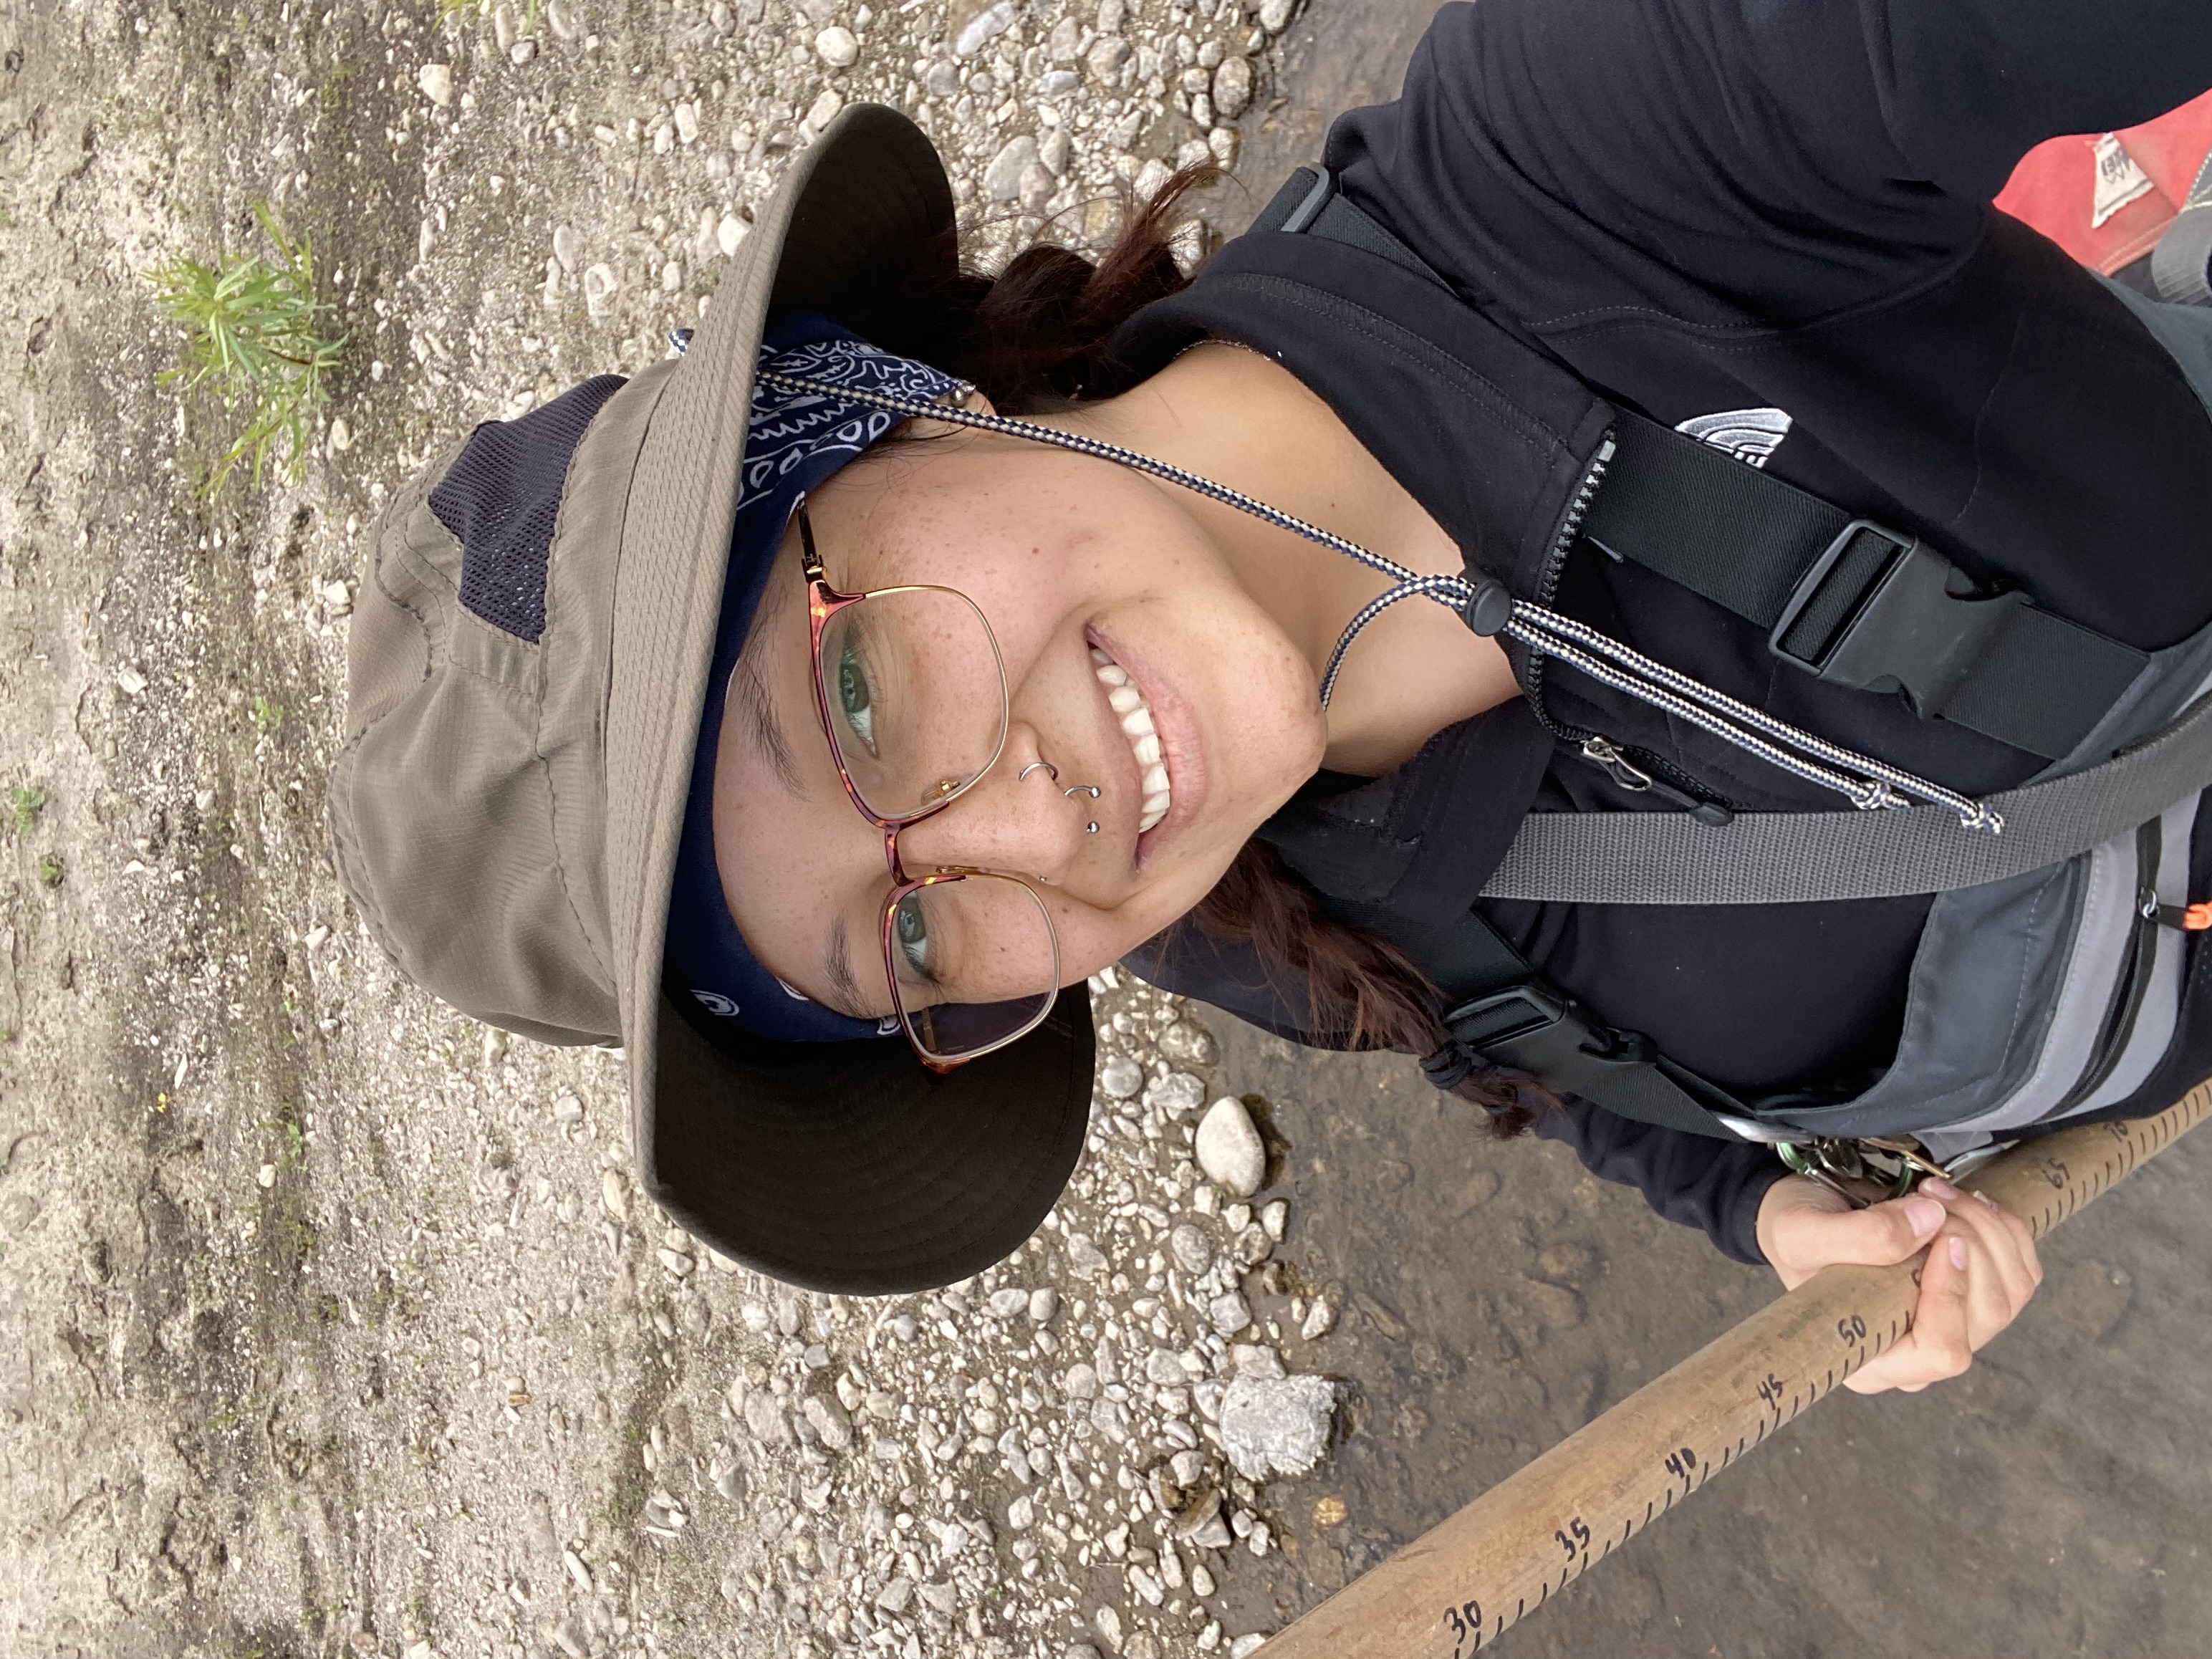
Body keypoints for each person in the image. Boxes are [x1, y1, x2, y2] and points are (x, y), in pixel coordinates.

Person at [329, 0, 2212, 1397]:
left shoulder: (1603, 150)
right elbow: (1516, 1051)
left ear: (891, 410)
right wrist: (1768, 1210)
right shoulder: (1235, 915)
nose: (1028, 836)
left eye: (861, 698)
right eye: (904, 936)